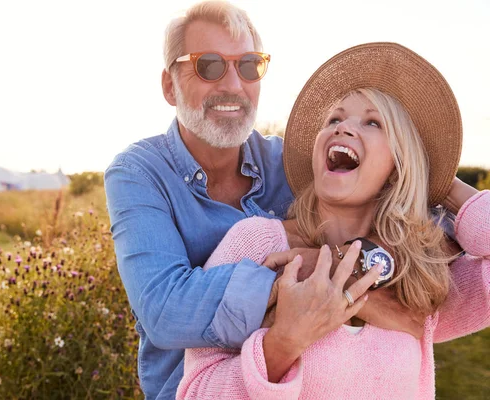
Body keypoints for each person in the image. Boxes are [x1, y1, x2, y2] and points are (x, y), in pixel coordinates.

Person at [105, 2, 445, 399]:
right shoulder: (139, 173)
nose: (233, 85)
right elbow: (164, 310)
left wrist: (440, 173)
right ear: (169, 86)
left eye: (248, 65)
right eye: (209, 65)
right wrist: (321, 269)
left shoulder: (291, 165)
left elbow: (411, 218)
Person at [176, 42, 489, 399]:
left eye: (373, 123)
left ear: (398, 165)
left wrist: (438, 182)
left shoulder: (420, 273)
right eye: (334, 120)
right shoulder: (258, 244)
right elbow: (195, 391)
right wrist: (281, 345)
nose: (344, 129)